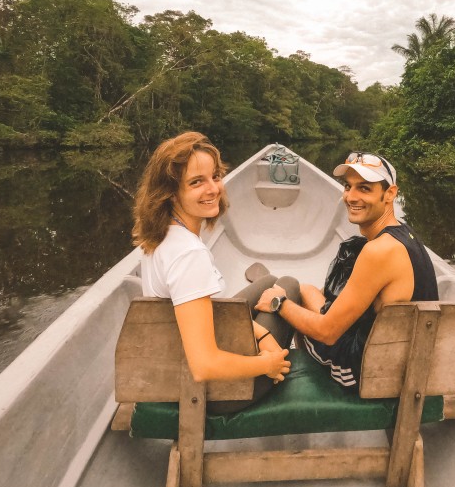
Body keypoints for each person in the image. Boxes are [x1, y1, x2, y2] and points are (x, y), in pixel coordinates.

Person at [132, 131, 300, 410]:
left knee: (269, 281)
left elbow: (210, 314)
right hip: (210, 393)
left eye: (215, 177)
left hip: (174, 359)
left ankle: (264, 328)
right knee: (289, 287)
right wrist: (266, 363)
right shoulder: (188, 255)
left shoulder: (163, 234)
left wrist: (259, 334)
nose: (213, 189)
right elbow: (204, 366)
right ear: (171, 194)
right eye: (197, 182)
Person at [254, 151, 438, 388]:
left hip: (365, 371)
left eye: (364, 188)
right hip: (402, 359)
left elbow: (328, 332)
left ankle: (299, 377)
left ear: (390, 194)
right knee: (307, 290)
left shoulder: (379, 251)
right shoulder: (403, 233)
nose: (351, 196)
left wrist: (279, 303)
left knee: (290, 301)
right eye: (348, 187)